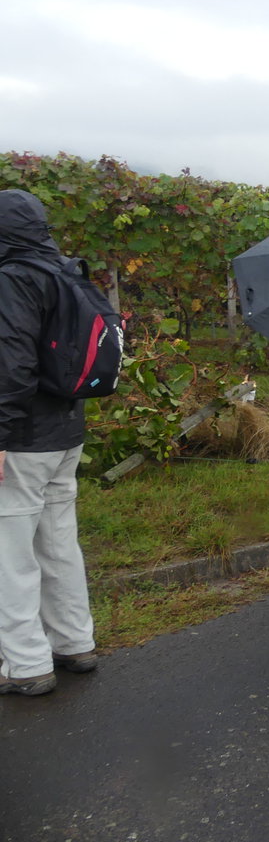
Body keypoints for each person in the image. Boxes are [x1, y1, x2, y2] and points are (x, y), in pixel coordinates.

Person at [0, 189, 98, 696]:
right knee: (59, 542)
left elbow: (12, 362)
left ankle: (26, 665)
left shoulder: (13, 278)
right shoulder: (67, 271)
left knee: (9, 552)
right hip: (67, 433)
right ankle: (74, 642)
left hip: (24, 437)